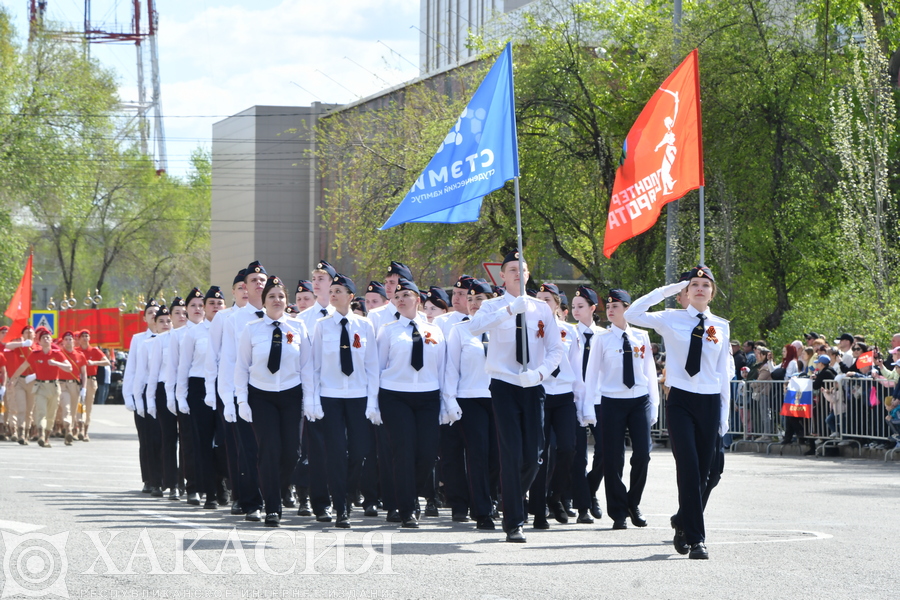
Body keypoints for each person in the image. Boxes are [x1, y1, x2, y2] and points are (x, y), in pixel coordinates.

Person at [625, 265, 733, 560]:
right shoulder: (671, 319)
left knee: (706, 472)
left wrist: (724, 415)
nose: (699, 288)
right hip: (681, 400)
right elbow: (632, 314)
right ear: (685, 292)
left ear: (712, 293)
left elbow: (724, 373)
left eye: (705, 285)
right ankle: (697, 539)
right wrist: (669, 289)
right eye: (693, 284)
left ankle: (682, 521)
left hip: (710, 401)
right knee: (688, 467)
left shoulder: (721, 326)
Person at [468, 251, 564, 543]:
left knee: (534, 456)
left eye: (522, 270)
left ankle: (507, 493)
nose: (517, 274)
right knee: (510, 452)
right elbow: (474, 327)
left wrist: (539, 374)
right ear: (503, 276)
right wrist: (510, 311)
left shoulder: (541, 309)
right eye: (511, 270)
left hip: (532, 384)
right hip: (504, 383)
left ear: (527, 274)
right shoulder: (494, 306)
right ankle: (514, 521)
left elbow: (555, 349)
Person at [235, 275, 313, 527]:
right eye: (271, 296)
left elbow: (307, 367)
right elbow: (241, 367)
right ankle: (272, 506)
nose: (277, 300)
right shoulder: (252, 329)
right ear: (264, 301)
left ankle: (275, 490)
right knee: (269, 450)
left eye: (281, 296)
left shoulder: (298, 328)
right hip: (261, 395)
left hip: (291, 394)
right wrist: (242, 401)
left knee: (292, 452)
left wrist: (310, 400)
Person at [309, 274, 380, 528]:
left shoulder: (365, 325)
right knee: (336, 453)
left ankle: (349, 491)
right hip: (330, 396)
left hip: (358, 396)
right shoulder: (322, 325)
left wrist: (373, 402)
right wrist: (313, 400)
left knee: (360, 451)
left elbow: (373, 366)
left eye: (339, 291)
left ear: (351, 296)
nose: (334, 294)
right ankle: (341, 507)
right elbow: (314, 366)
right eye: (332, 290)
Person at [584, 289, 658, 530]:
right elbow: (591, 375)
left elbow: (649, 372)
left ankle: (633, 503)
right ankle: (618, 511)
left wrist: (654, 406)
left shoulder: (641, 336)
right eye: (609, 306)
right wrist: (588, 408)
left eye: (616, 305)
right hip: (612, 401)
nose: (611, 309)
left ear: (627, 309)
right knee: (613, 459)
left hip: (639, 400)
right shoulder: (602, 339)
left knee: (643, 455)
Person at [376, 277, 446, 529]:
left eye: (407, 294)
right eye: (397, 296)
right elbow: (378, 367)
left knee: (427, 453)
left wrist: (446, 402)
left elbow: (443, 369)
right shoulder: (388, 330)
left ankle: (403, 494)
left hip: (428, 396)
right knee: (403, 451)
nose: (402, 299)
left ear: (419, 299)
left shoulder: (435, 330)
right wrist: (373, 404)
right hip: (395, 395)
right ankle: (407, 508)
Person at [443, 279, 500, 530]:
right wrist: (450, 400)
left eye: (480, 299)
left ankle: (492, 498)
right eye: (471, 299)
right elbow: (451, 369)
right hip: (470, 398)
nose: (474, 304)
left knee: (496, 457)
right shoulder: (460, 329)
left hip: (499, 398)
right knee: (477, 454)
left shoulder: (502, 328)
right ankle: (482, 510)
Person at [529, 282, 582, 529]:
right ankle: (538, 510)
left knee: (568, 448)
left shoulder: (569, 332)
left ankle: (556, 495)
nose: (542, 304)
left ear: (557, 305)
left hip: (563, 396)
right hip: (539, 394)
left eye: (547, 300)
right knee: (541, 453)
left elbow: (577, 369)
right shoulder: (530, 329)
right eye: (538, 300)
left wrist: (583, 403)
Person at [217, 262, 268, 515]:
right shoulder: (234, 320)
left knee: (275, 449)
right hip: (244, 393)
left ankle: (272, 495)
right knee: (248, 450)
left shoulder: (280, 315)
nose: (258, 283)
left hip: (275, 394)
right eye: (253, 280)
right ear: (245, 287)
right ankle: (251, 502)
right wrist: (228, 399)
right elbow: (227, 360)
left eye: (262, 279)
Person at [296, 260, 339, 521]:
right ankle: (312, 499)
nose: (316, 281)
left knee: (336, 449)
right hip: (311, 392)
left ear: (334, 283)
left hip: (339, 392)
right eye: (314, 277)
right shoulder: (302, 319)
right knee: (310, 450)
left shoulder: (344, 315)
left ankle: (336, 496)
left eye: (322, 278)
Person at [179, 286, 227, 506]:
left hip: (224, 386)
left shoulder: (231, 329)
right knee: (203, 442)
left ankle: (223, 484)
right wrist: (180, 396)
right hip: (199, 388)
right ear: (204, 308)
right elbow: (183, 367)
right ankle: (209, 491)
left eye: (219, 304)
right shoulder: (194, 332)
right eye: (211, 304)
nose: (215, 307)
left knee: (225, 441)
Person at [568, 285, 604, 524]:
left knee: (605, 452)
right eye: (572, 307)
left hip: (601, 399)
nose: (575, 311)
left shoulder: (604, 335)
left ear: (592, 308)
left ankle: (590, 490)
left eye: (580, 306)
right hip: (575, 399)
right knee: (578, 455)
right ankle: (582, 506)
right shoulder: (568, 333)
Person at [9, 327, 73, 448]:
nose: (46, 339)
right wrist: (13, 379)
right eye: (43, 337)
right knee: (40, 412)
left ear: (51, 340)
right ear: (39, 341)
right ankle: (41, 435)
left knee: (51, 413)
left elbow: (69, 368)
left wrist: (56, 363)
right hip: (40, 386)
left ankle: (47, 438)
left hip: (54, 386)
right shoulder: (35, 354)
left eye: (48, 337)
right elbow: (23, 367)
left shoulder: (57, 353)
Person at [123, 299, 161, 494]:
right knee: (146, 438)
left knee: (163, 437)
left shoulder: (170, 336)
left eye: (157, 312)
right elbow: (131, 370)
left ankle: (164, 477)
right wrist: (129, 397)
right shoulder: (138, 339)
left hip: (162, 391)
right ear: (144, 318)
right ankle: (149, 478)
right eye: (150, 312)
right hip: (143, 392)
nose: (154, 315)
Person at [145, 304, 181, 498]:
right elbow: (152, 373)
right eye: (162, 320)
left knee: (185, 440)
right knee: (168, 439)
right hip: (162, 389)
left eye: (169, 320)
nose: (167, 324)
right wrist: (150, 399)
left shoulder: (183, 337)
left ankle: (185, 481)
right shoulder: (159, 341)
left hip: (182, 389)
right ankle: (171, 482)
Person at [4, 324, 37, 444]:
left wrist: (35, 375)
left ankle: (27, 433)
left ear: (34, 334)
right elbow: (7, 346)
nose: (29, 334)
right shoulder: (20, 346)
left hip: (33, 380)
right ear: (22, 335)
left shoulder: (37, 348)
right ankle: (21, 433)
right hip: (19, 380)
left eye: (31, 332)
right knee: (21, 408)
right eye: (26, 333)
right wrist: (23, 344)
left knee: (30, 410)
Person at [76, 330, 110, 441]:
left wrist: (94, 362)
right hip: (77, 381)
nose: (85, 338)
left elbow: (107, 362)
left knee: (87, 407)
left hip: (90, 381)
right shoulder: (77, 351)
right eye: (83, 336)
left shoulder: (94, 350)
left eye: (87, 336)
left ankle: (85, 432)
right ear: (79, 339)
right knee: (77, 406)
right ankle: (77, 429)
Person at [56, 331, 87, 445]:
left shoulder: (80, 355)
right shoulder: (59, 354)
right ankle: (68, 430)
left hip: (74, 385)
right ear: (63, 342)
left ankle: (70, 430)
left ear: (74, 341)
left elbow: (83, 373)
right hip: (62, 384)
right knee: (66, 407)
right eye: (66, 339)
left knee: (73, 410)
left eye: (70, 339)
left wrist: (84, 388)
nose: (68, 341)